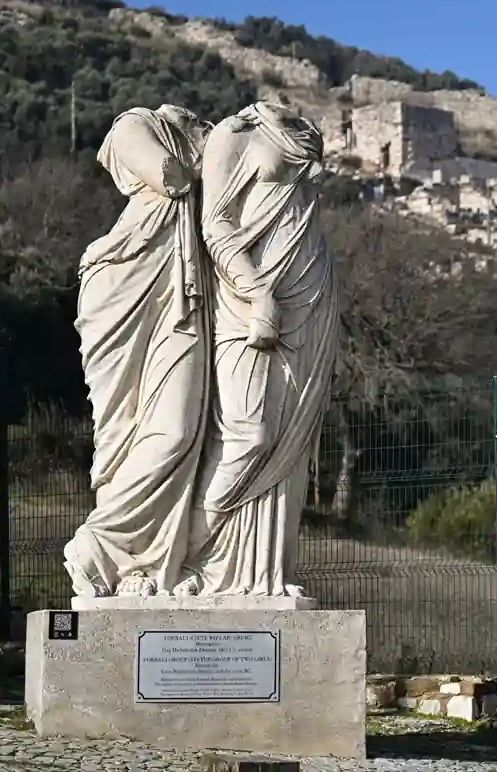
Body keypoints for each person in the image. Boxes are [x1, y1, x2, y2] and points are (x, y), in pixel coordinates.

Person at [174, 101, 339, 598]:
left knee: (291, 446)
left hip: (311, 301)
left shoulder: (307, 131)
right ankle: (189, 560)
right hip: (249, 303)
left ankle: (266, 577)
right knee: (249, 435)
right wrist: (256, 291)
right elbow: (215, 224)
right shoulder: (236, 132)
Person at [64, 105, 212, 599]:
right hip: (122, 286)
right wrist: (221, 152)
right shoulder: (136, 124)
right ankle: (117, 558)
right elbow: (169, 177)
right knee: (121, 435)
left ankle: (136, 554)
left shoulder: (202, 149)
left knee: (178, 430)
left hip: (183, 297)